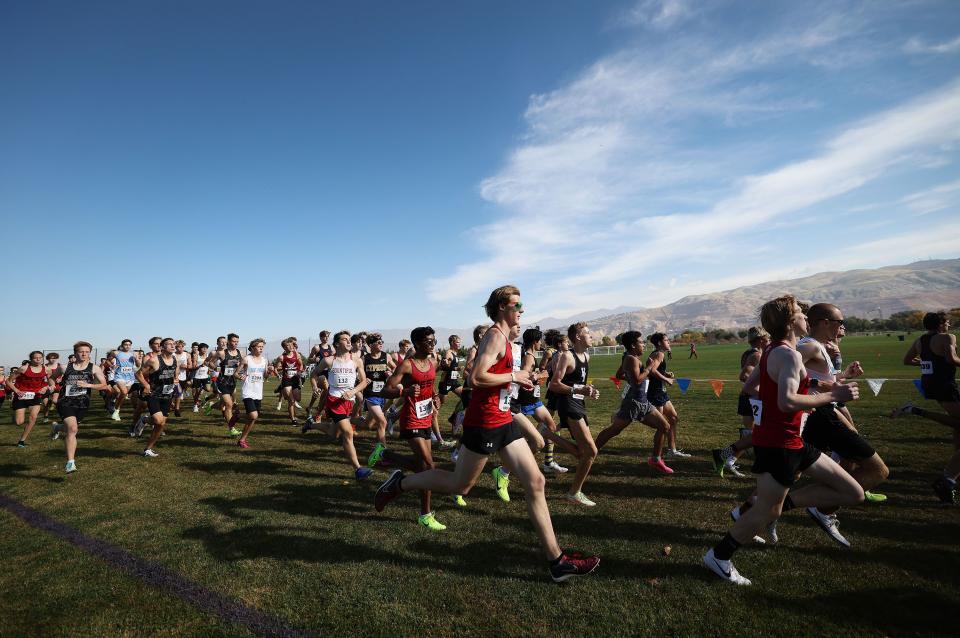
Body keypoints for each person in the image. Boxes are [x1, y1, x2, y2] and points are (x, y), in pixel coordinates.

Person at [375, 285, 600, 582]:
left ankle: (557, 561)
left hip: (503, 418)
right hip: (484, 423)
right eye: (517, 305)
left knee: (536, 481)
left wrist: (521, 381)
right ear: (501, 308)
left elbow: (497, 379)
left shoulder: (506, 339)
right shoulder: (495, 335)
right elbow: (477, 377)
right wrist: (514, 376)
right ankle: (401, 482)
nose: (521, 311)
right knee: (460, 485)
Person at [703, 294, 864, 586]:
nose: (806, 316)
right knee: (767, 509)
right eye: (802, 313)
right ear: (791, 321)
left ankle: (770, 511)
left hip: (794, 442)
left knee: (853, 492)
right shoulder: (786, 353)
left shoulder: (779, 352)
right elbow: (788, 400)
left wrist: (833, 382)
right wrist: (833, 395)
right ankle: (719, 555)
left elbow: (785, 385)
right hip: (780, 444)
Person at [796, 303, 888, 546]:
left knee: (788, 474)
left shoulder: (825, 346)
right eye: (839, 321)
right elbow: (786, 371)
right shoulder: (808, 345)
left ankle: (750, 512)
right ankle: (819, 509)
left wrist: (844, 375)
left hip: (823, 412)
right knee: (878, 470)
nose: (842, 326)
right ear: (825, 322)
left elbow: (822, 379)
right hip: (819, 414)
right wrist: (825, 386)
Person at [372, 326, 447, 530]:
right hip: (411, 420)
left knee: (424, 468)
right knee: (429, 467)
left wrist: (434, 398)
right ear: (417, 344)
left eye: (434, 341)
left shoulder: (432, 362)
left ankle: (425, 514)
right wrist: (403, 391)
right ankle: (390, 462)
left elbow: (429, 385)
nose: (432, 344)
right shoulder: (407, 365)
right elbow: (386, 390)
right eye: (428, 341)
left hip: (425, 418)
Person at [892, 311, 960, 503]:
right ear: (941, 324)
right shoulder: (947, 337)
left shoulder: (920, 340)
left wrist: (926, 363)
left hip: (930, 384)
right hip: (945, 385)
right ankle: (913, 410)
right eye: (947, 322)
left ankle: (955, 470)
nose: (949, 325)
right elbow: (952, 359)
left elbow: (907, 360)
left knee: (958, 425)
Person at [595, 331, 674, 470]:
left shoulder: (631, 357)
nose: (643, 344)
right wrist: (649, 368)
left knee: (665, 426)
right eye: (641, 342)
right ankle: (591, 451)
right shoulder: (631, 359)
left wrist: (634, 377)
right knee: (614, 430)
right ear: (633, 345)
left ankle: (656, 459)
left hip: (643, 402)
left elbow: (620, 375)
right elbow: (637, 381)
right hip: (633, 403)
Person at [305, 330, 373, 480]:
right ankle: (358, 469)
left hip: (349, 401)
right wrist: (315, 387)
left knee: (333, 433)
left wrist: (353, 391)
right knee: (348, 433)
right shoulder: (329, 361)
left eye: (349, 339)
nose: (349, 342)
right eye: (345, 339)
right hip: (334, 400)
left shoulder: (357, 360)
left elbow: (364, 381)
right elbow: (314, 374)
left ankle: (311, 425)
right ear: (337, 343)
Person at [549, 322, 603, 505]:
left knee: (583, 452)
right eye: (588, 333)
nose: (591, 336)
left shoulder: (587, 356)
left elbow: (580, 384)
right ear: (578, 337)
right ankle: (574, 493)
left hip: (579, 404)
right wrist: (578, 390)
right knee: (591, 451)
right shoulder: (567, 357)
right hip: (568, 404)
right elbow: (553, 385)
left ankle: (545, 433)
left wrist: (590, 390)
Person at [712, 327, 770, 478]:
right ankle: (725, 457)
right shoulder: (757, 354)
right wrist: (761, 393)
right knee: (759, 434)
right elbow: (744, 376)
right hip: (753, 399)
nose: (769, 341)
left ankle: (727, 459)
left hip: (749, 398)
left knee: (755, 434)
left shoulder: (748, 353)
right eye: (767, 339)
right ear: (761, 340)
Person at [51, 341, 109, 472]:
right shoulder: (64, 367)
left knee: (70, 428)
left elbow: (104, 385)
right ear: (75, 352)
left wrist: (88, 385)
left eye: (87, 352)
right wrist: (52, 386)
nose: (84, 354)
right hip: (65, 401)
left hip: (83, 403)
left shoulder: (94, 368)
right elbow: (52, 378)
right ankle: (70, 462)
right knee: (72, 429)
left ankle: (56, 427)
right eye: (81, 351)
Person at [135, 338, 181, 458]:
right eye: (169, 344)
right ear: (162, 347)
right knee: (158, 421)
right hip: (154, 394)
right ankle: (145, 420)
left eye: (173, 344)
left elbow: (175, 372)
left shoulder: (175, 359)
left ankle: (148, 449)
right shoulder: (154, 360)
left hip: (167, 394)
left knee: (161, 424)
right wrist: (146, 385)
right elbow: (138, 374)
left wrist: (175, 379)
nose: (173, 346)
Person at [646, 333, 689, 462]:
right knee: (661, 426)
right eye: (666, 340)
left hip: (662, 392)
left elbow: (656, 370)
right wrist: (666, 379)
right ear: (659, 343)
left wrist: (665, 373)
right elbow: (652, 371)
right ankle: (656, 455)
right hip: (655, 393)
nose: (669, 342)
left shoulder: (659, 354)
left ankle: (672, 451)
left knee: (674, 418)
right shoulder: (659, 354)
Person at [236, 339, 274, 449]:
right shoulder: (246, 359)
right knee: (254, 415)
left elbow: (265, 376)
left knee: (252, 418)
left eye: (262, 346)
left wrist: (269, 372)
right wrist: (240, 376)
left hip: (258, 391)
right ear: (252, 347)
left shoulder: (264, 360)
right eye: (259, 346)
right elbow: (236, 373)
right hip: (248, 391)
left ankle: (238, 418)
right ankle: (242, 440)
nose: (261, 348)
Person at [11, 351, 54, 447]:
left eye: (40, 357)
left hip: (36, 396)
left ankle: (22, 440)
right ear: (31, 359)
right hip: (21, 396)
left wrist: (46, 387)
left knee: (33, 417)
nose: (38, 359)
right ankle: (14, 414)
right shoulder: (23, 368)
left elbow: (51, 382)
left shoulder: (47, 369)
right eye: (35, 358)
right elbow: (8, 381)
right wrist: (16, 390)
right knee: (19, 422)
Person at [362, 333, 393, 455]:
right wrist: (362, 380)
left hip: (382, 394)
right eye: (378, 342)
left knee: (367, 424)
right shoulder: (365, 358)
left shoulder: (387, 356)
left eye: (381, 341)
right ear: (371, 345)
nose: (381, 343)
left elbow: (395, 369)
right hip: (370, 395)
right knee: (382, 422)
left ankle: (347, 421)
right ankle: (382, 452)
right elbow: (357, 373)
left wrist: (390, 373)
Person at [213, 333, 243, 437]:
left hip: (233, 382)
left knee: (224, 403)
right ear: (228, 341)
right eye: (234, 341)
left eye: (237, 342)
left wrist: (240, 368)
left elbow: (243, 365)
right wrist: (215, 368)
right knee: (229, 404)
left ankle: (211, 405)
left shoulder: (240, 353)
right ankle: (232, 428)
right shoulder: (221, 353)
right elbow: (209, 362)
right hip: (222, 382)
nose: (236, 343)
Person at [276, 338, 305, 426]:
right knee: (291, 401)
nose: (291, 346)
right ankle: (293, 419)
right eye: (288, 345)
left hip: (295, 380)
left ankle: (282, 391)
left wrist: (299, 371)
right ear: (284, 348)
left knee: (298, 399)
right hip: (286, 380)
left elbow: (301, 365)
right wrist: (279, 371)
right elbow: (276, 368)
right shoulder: (281, 357)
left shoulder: (297, 355)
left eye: (291, 344)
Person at [191, 343, 212, 412]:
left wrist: (209, 369)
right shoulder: (196, 356)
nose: (205, 349)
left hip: (205, 376)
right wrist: (200, 366)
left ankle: (202, 388)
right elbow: (193, 367)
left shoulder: (208, 355)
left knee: (208, 389)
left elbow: (209, 364)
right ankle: (195, 405)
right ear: (200, 349)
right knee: (197, 393)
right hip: (197, 376)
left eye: (206, 348)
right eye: (203, 348)